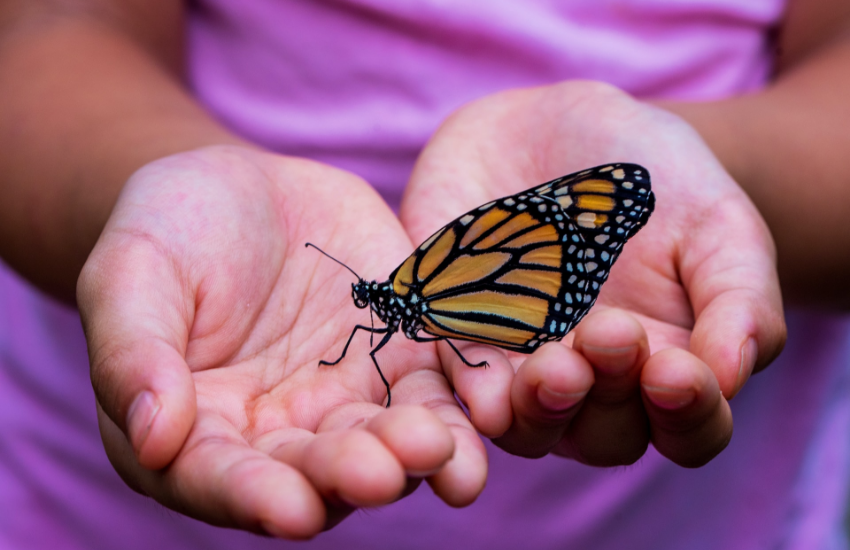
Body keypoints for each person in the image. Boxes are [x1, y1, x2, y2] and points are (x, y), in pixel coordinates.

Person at [0, 0, 847, 548]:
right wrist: (160, 189)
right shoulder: (410, 296)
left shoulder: (422, 286)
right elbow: (46, 36)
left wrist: (724, 176)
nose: (371, 303)